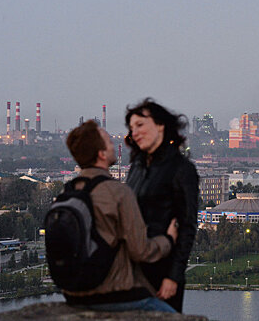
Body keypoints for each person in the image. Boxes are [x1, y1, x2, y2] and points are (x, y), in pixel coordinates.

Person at [63, 120, 177, 313]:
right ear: (101, 154)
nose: (114, 146)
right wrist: (168, 239)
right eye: (108, 142)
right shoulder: (118, 193)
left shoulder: (69, 191)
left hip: (74, 294)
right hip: (112, 295)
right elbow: (141, 251)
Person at [125, 99, 199, 313]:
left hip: (162, 272)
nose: (135, 132)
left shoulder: (181, 169)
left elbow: (187, 227)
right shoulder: (137, 167)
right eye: (131, 128)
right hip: (133, 269)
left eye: (140, 125)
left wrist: (173, 277)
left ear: (160, 125)